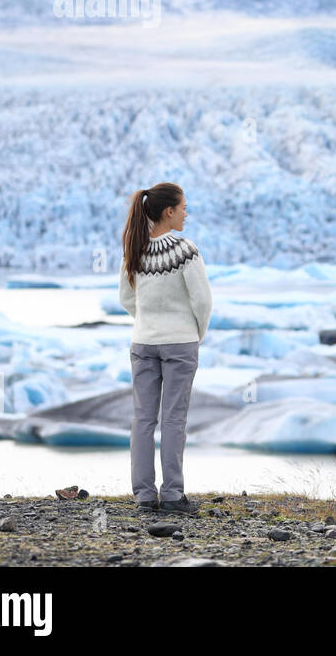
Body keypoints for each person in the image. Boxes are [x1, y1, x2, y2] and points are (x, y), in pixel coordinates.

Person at [119, 182, 212, 514]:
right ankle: (172, 494)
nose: (187, 213)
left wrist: (147, 322)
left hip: (143, 341)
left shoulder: (135, 248)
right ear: (168, 211)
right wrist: (194, 333)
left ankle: (144, 496)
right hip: (180, 343)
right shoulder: (185, 249)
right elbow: (202, 300)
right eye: (184, 207)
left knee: (142, 419)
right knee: (173, 419)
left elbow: (127, 298)